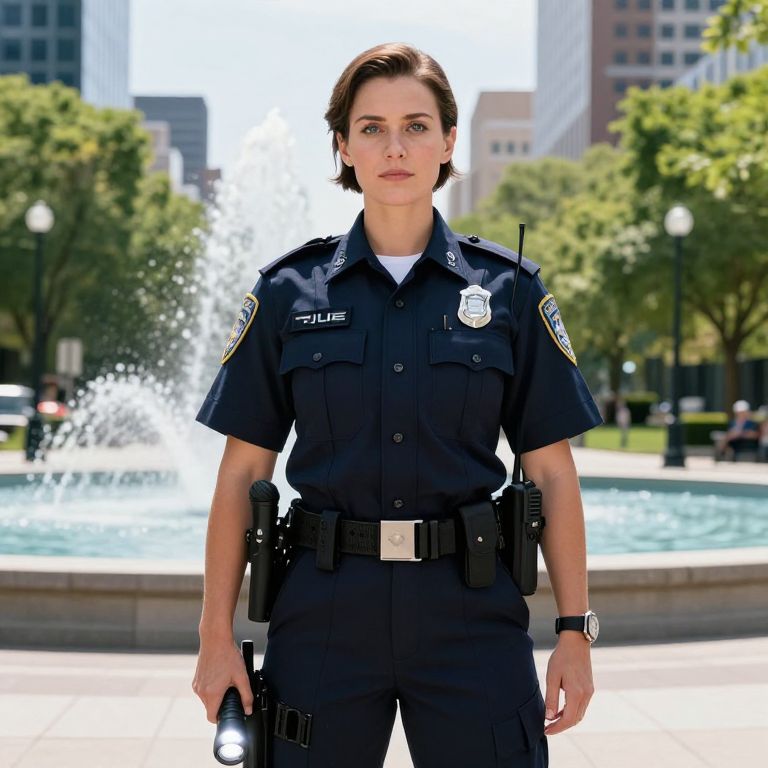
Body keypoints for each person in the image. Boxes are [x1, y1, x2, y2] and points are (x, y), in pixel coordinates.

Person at [192, 42, 604, 768]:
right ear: (344, 147)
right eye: (372, 127)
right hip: (324, 610)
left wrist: (575, 629)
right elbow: (240, 473)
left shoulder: (511, 291)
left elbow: (552, 472)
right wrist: (214, 636)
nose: (395, 147)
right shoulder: (289, 293)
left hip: (470, 611)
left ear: (449, 142)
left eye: (416, 126)